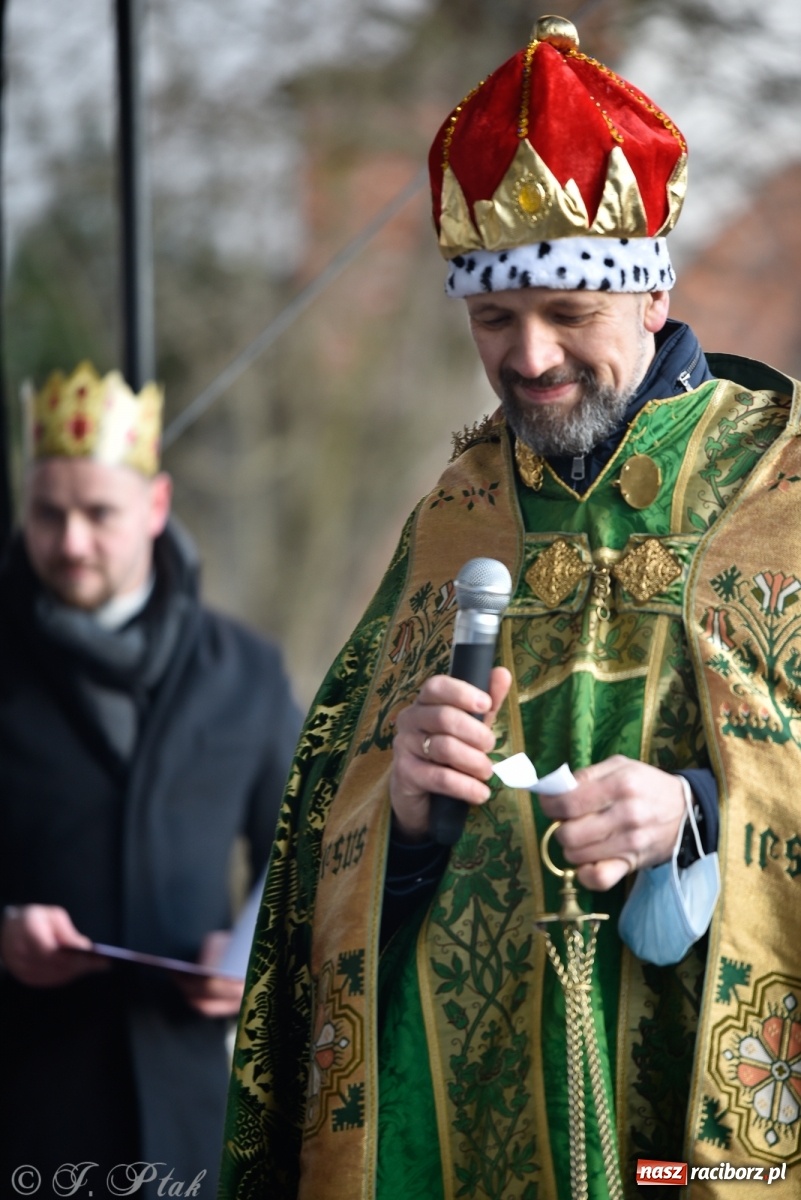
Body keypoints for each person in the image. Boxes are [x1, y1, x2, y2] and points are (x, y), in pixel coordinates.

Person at [219, 15, 801, 1200]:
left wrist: (694, 809)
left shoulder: (778, 490)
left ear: (649, 295)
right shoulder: (455, 518)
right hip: (472, 1132)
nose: (527, 358)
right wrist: (409, 820)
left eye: (565, 315)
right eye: (494, 320)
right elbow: (328, 859)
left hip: (700, 1125)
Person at [0, 361, 302, 1197]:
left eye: (97, 514)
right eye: (47, 514)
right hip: (22, 1111)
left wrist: (256, 961)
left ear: (156, 506)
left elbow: (307, 849)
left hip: (191, 1116)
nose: (70, 542)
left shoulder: (244, 669)